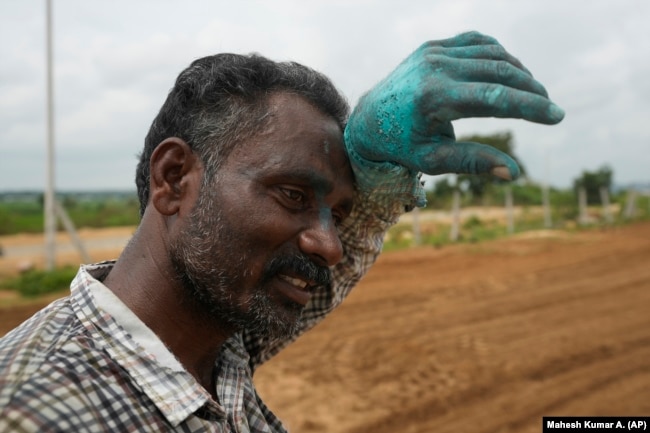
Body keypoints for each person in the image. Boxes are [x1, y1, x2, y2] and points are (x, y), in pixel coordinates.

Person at [0, 32, 563, 432]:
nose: (331, 244)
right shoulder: (32, 413)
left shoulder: (215, 344)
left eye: (338, 215)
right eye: (292, 195)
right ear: (174, 179)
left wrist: (380, 173)